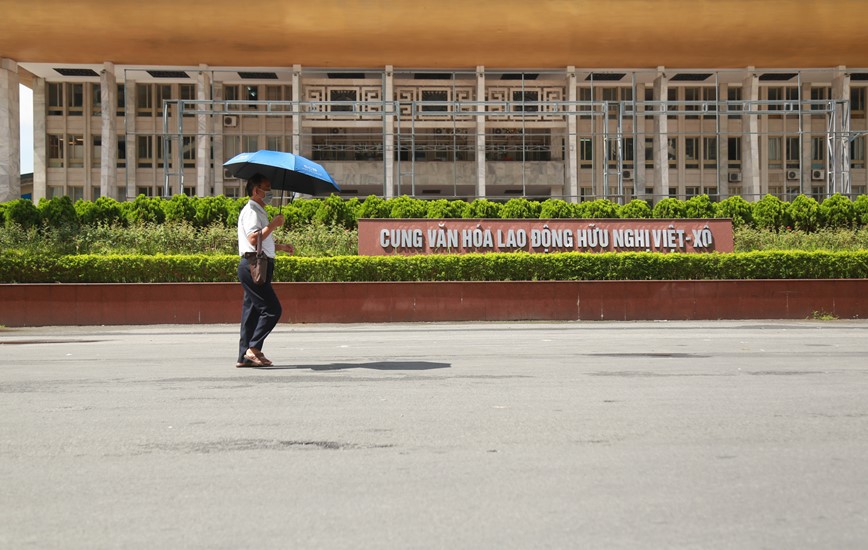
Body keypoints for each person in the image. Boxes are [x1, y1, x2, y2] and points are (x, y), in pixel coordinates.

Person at [236, 174, 294, 367]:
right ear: (256, 190)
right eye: (266, 189)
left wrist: (281, 247)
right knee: (272, 310)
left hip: (257, 263)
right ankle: (253, 349)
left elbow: (262, 242)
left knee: (251, 313)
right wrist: (273, 225)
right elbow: (253, 239)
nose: (269, 193)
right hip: (254, 266)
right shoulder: (252, 210)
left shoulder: (259, 210)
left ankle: (245, 356)